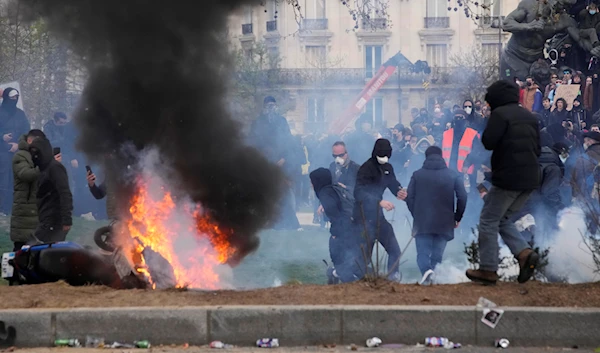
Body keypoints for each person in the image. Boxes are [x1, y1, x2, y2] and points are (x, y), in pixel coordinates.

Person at [466, 80, 541, 286]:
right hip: (531, 178)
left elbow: (488, 142)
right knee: (503, 219)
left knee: (488, 220)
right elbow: (538, 148)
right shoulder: (528, 115)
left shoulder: (499, 115)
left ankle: (488, 269)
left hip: (509, 177)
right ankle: (525, 254)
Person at [406, 146, 467, 285]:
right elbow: (463, 197)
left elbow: (409, 197)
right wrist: (457, 217)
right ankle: (433, 281)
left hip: (422, 222)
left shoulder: (417, 174)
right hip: (445, 222)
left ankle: (427, 274)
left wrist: (416, 214)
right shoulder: (453, 175)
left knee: (422, 254)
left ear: (426, 157)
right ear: (442, 156)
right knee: (437, 256)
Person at [353, 139, 407, 280]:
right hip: (364, 218)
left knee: (395, 250)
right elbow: (358, 192)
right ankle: (353, 277)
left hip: (379, 218)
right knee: (364, 256)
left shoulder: (388, 167)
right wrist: (379, 202)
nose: (383, 157)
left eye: (386, 154)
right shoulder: (366, 168)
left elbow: (393, 183)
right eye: (381, 154)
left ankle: (392, 278)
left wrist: (399, 191)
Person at [310, 168, 362, 283]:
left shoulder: (325, 193)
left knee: (342, 264)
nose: (311, 185)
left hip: (344, 231)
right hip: (354, 228)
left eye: (312, 181)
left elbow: (336, 216)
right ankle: (366, 279)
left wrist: (335, 234)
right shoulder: (334, 188)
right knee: (353, 261)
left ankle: (349, 283)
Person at [29, 137, 73, 242]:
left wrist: (66, 219)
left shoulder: (54, 168)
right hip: (45, 219)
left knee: (34, 249)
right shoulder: (43, 168)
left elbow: (65, 193)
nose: (34, 155)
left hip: (54, 221)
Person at [10, 130, 46, 252]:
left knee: (38, 248)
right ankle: (11, 269)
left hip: (38, 206)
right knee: (21, 246)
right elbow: (25, 174)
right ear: (30, 141)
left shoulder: (38, 155)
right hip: (24, 206)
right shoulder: (20, 156)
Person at [0, 88, 30, 214]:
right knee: (2, 179)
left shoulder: (20, 114)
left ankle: (11, 207)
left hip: (16, 152)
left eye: (16, 98)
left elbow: (26, 131)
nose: (14, 100)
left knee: (15, 180)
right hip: (2, 152)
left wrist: (18, 144)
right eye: (12, 97)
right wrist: (2, 137)